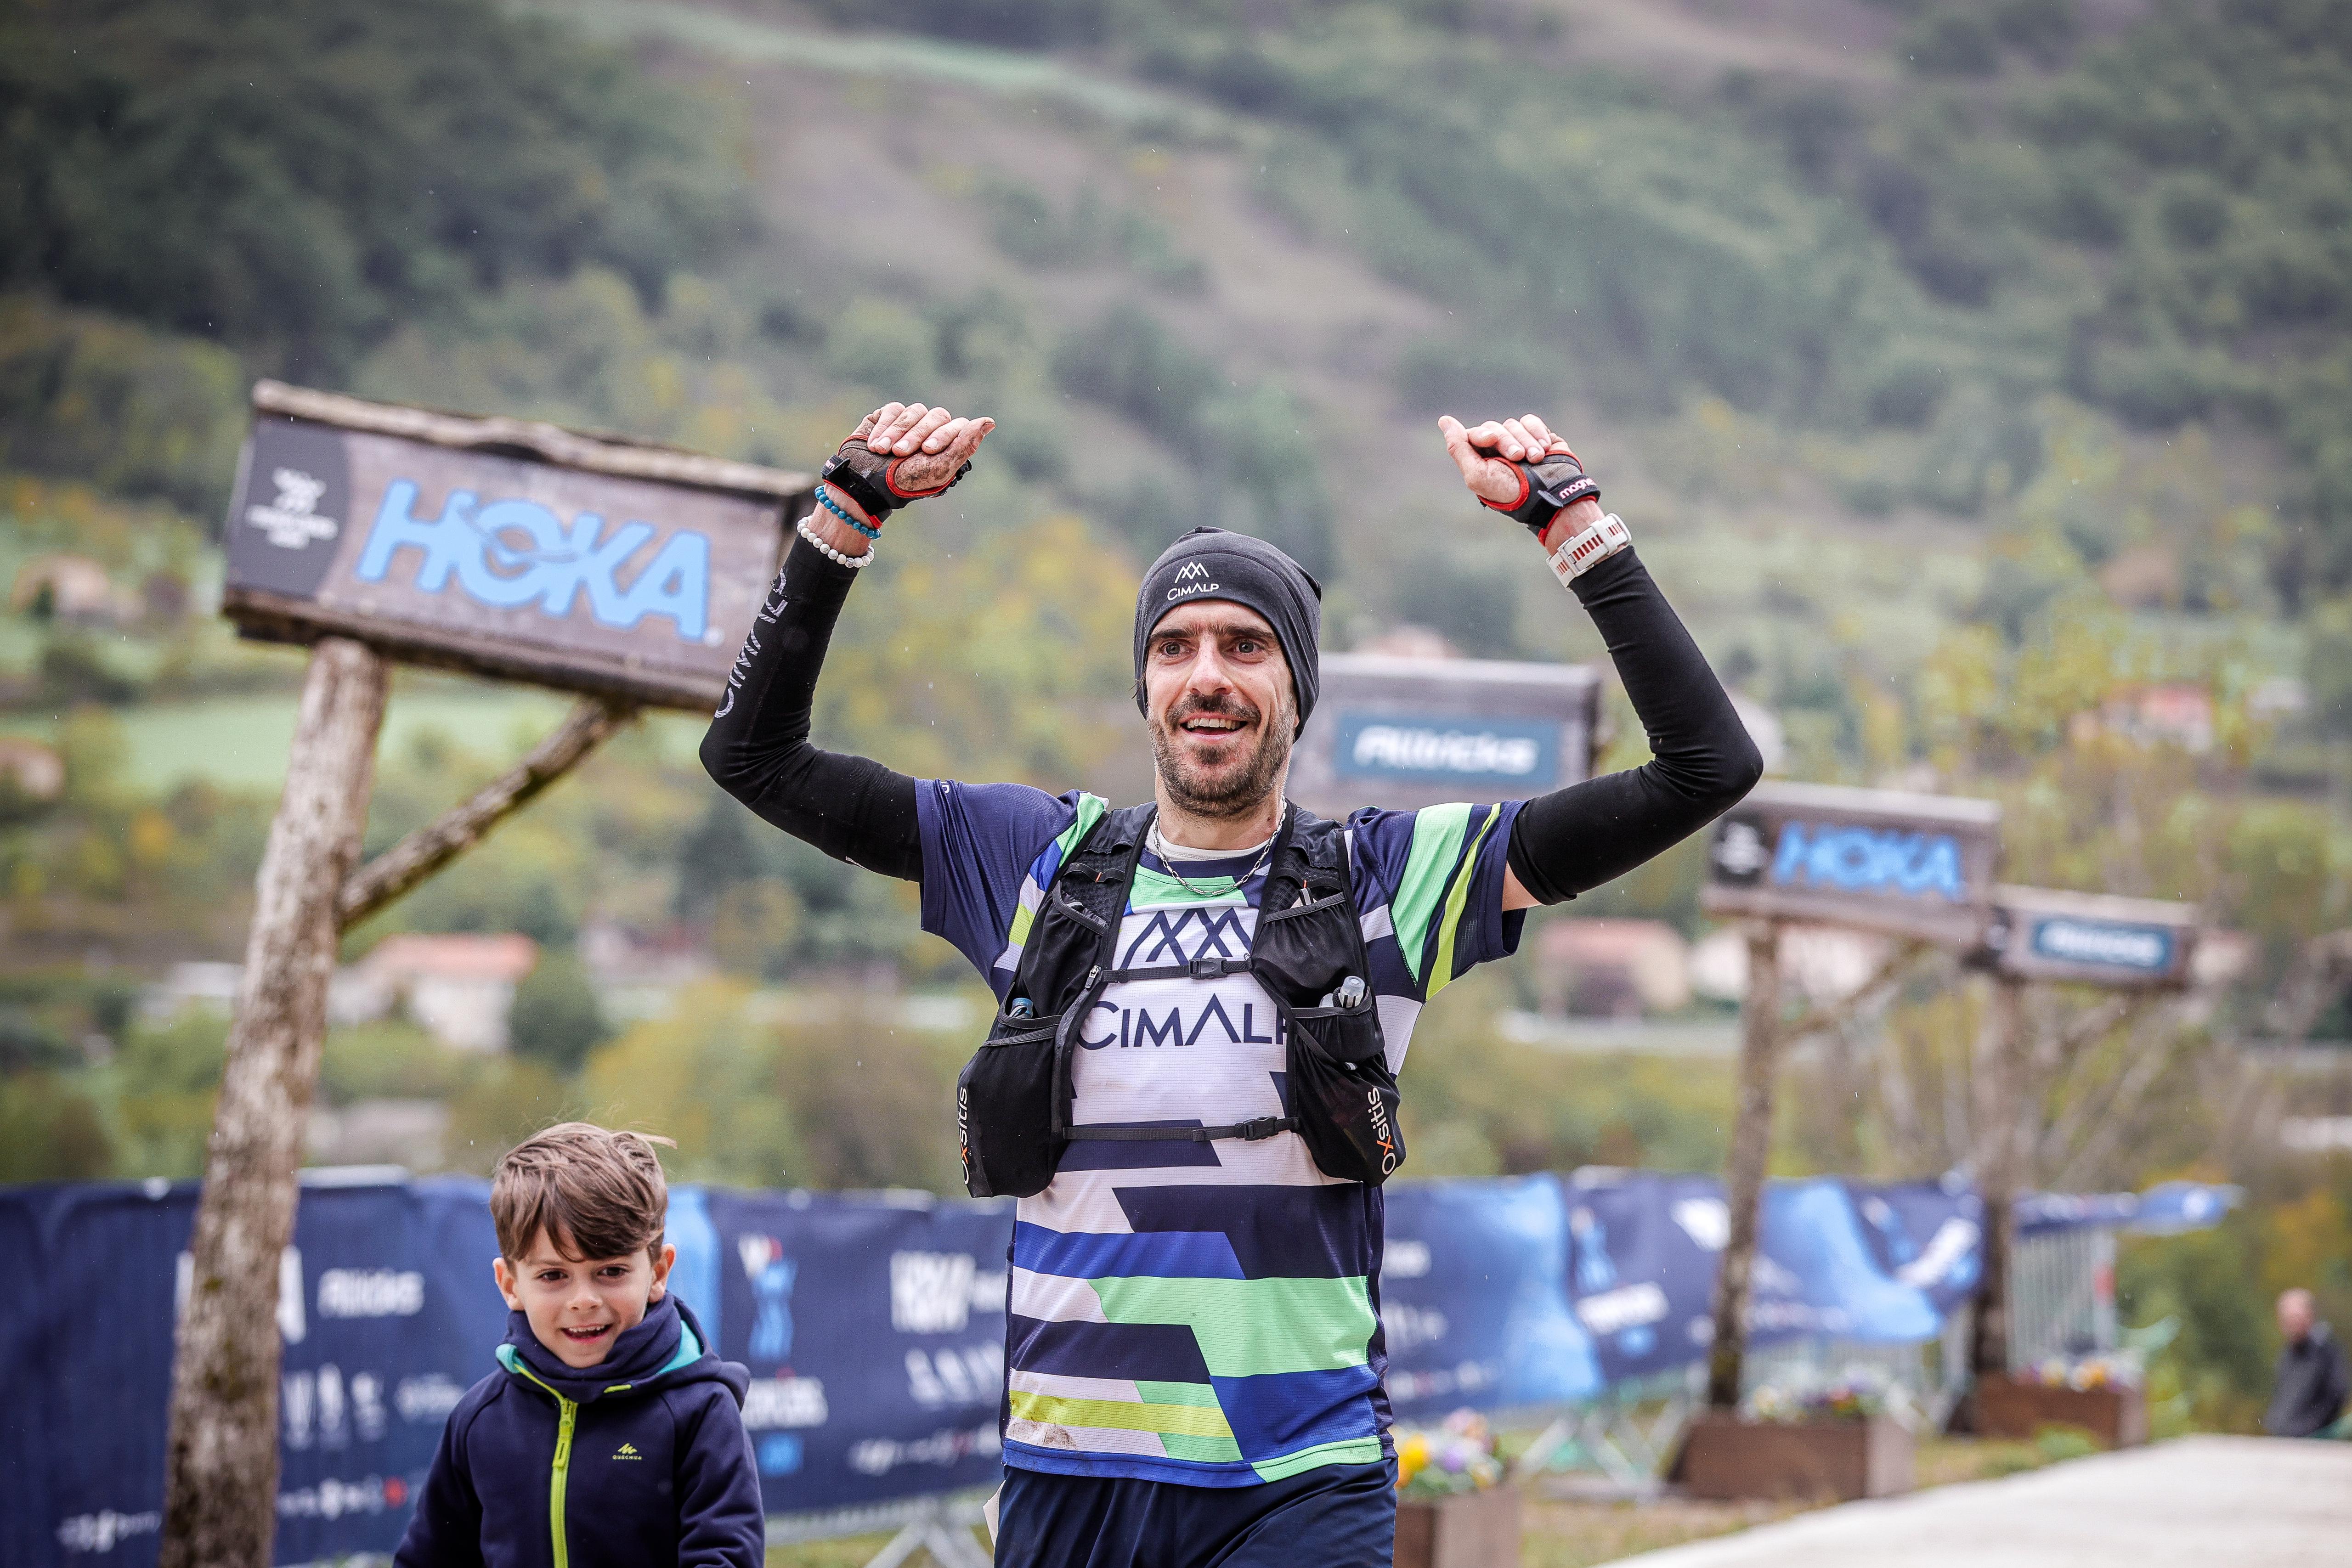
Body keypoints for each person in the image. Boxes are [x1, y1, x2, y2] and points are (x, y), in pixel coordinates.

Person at [702, 400, 1760, 1566]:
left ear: (1297, 691)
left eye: (1245, 645)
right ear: (1144, 684)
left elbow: (1706, 764)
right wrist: (845, 516)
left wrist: (1571, 523)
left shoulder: (1385, 879)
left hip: (1295, 1481)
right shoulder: (1031, 863)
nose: (1206, 675)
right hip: (1069, 1478)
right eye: (1175, 645)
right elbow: (750, 753)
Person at [394, 1123, 765, 1568]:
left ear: (658, 1272)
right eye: (553, 1276)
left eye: (610, 1272)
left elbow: (724, 1558)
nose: (584, 1300)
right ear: (510, 1285)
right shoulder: (479, 1420)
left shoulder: (702, 1412)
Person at [2267, 1287, 2351, 1438]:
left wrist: (2309, 1428)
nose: (2292, 1324)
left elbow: (2337, 1394)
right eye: (2288, 1319)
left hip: (2313, 1442)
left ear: (2310, 1316)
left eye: (2296, 1318)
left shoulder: (2325, 1352)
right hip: (2284, 1440)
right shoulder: (2287, 1355)